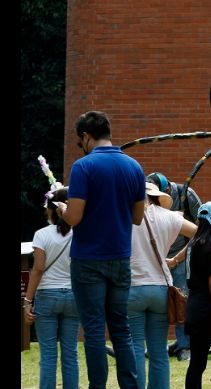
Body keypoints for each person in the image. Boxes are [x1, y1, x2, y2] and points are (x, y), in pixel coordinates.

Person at [57, 110, 146, 389]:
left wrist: (62, 210)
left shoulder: (83, 167)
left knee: (94, 330)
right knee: (121, 328)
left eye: (79, 141)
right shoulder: (134, 166)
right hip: (120, 257)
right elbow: (138, 217)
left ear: (86, 136)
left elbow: (74, 218)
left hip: (88, 259)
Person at [128, 182, 198, 389]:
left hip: (132, 287)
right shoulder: (169, 217)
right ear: (156, 197)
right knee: (159, 351)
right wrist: (176, 259)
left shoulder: (125, 216)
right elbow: (199, 233)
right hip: (161, 287)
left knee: (135, 348)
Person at [23, 187, 80, 389]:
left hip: (47, 295)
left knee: (48, 355)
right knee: (70, 353)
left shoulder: (41, 235)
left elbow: (38, 269)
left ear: (51, 209)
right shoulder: (79, 234)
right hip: (73, 295)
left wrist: (27, 301)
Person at [146, 171, 202, 361]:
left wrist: (177, 258)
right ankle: (156, 346)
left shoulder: (186, 195)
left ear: (168, 190)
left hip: (181, 257)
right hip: (156, 258)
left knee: (180, 301)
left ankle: (184, 346)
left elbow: (202, 230)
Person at [177, 201, 211, 389]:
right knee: (198, 364)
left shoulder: (193, 244)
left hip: (193, 304)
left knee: (197, 363)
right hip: (205, 306)